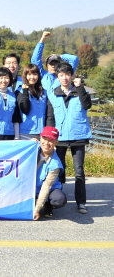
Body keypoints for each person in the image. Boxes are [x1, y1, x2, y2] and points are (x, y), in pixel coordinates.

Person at [46, 62, 91, 214]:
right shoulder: (52, 94)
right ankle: (56, 200)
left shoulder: (80, 91)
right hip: (60, 138)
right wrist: (50, 138)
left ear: (72, 75)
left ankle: (81, 202)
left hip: (78, 135)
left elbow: (87, 105)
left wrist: (80, 88)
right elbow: (50, 118)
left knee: (79, 170)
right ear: (57, 77)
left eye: (67, 74)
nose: (64, 78)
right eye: (61, 75)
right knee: (58, 170)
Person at [32, 126, 67, 220]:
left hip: (46, 188)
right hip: (29, 187)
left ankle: (48, 205)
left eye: (51, 140)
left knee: (59, 199)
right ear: (40, 137)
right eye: (44, 139)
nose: (46, 143)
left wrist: (37, 209)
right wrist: (27, 143)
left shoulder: (55, 164)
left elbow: (46, 187)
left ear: (56, 142)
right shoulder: (32, 147)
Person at [17, 64, 47, 140]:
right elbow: (25, 110)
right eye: (29, 74)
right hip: (26, 132)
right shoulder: (20, 91)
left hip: (42, 132)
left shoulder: (44, 92)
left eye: (35, 74)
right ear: (25, 76)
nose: (32, 77)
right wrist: (25, 92)